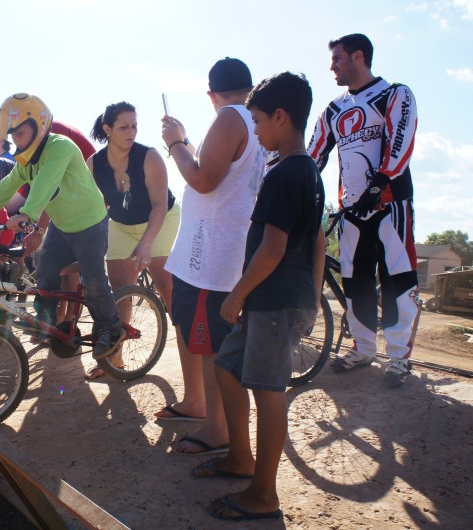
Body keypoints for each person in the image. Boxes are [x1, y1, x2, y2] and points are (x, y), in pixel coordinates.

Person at [201, 72, 324, 522]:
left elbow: (272, 250)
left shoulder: (286, 173)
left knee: (268, 393)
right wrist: (313, 295)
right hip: (274, 298)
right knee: (227, 368)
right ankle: (240, 456)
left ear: (280, 116)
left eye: (256, 120)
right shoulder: (306, 170)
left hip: (274, 301)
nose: (254, 130)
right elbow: (317, 242)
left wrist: (236, 295)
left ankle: (264, 493)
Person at [0, 93, 125, 359]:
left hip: (90, 223)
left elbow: (46, 184)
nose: (16, 141)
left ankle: (112, 329)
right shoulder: (27, 160)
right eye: (13, 135)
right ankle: (45, 323)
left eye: (20, 133)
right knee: (45, 274)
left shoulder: (60, 147)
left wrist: (27, 214)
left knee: (93, 282)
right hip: (62, 225)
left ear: (39, 126)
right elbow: (7, 186)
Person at [158, 58, 266, 456]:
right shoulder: (255, 120)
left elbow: (203, 179)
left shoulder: (230, 118)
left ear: (211, 94)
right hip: (223, 251)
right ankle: (200, 407)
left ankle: (217, 429)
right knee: (205, 339)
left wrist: (175, 143)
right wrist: (185, 142)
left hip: (211, 258)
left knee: (210, 346)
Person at [308, 33, 419, 388]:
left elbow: (401, 138)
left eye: (337, 59)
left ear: (358, 56)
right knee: (356, 280)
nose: (332, 67)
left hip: (390, 202)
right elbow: (313, 156)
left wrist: (380, 181)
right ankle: (363, 348)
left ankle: (399, 357)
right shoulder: (333, 109)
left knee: (397, 278)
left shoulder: (395, 93)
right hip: (352, 210)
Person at [84, 101, 180, 379]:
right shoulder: (94, 164)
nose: (131, 132)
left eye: (134, 126)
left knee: (167, 287)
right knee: (120, 291)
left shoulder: (149, 157)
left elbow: (159, 206)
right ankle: (116, 358)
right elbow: (94, 208)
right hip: (122, 226)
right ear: (108, 129)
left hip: (161, 220)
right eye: (124, 127)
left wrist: (147, 243)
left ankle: (191, 352)